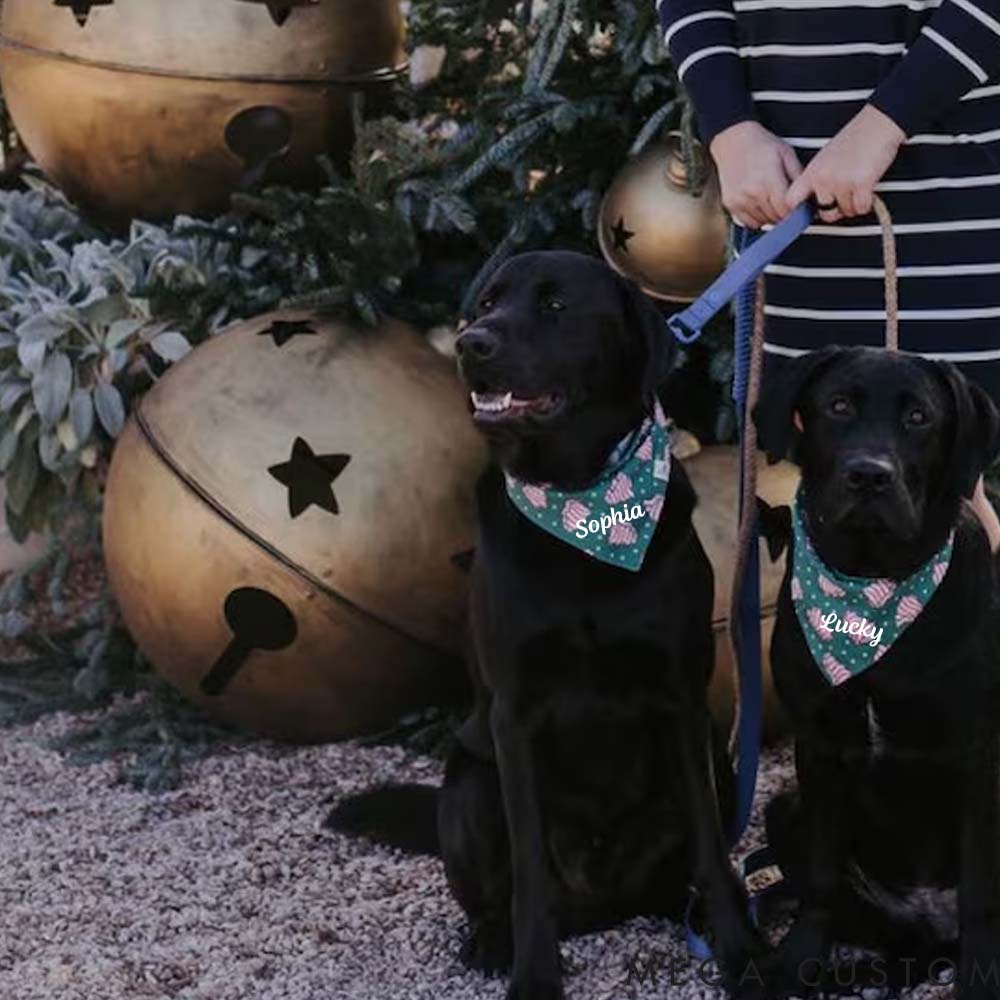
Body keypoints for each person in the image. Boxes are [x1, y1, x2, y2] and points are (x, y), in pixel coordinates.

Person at [656, 0, 1000, 548]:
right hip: (790, 203)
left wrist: (884, 125)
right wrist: (730, 129)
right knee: (814, 477)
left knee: (949, 497)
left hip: (944, 189)